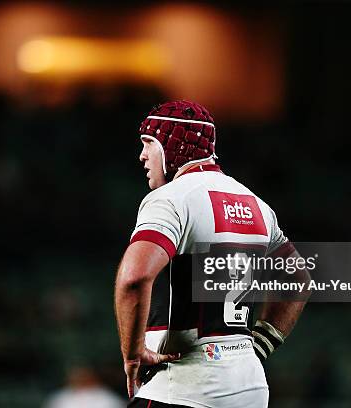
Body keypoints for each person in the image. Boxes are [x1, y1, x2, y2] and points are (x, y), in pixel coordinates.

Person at [114, 100, 309, 408]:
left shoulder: (171, 199)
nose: (142, 155)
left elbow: (134, 278)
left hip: (183, 385)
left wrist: (132, 351)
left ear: (171, 146)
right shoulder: (256, 204)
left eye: (148, 143)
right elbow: (297, 277)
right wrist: (261, 343)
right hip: (249, 386)